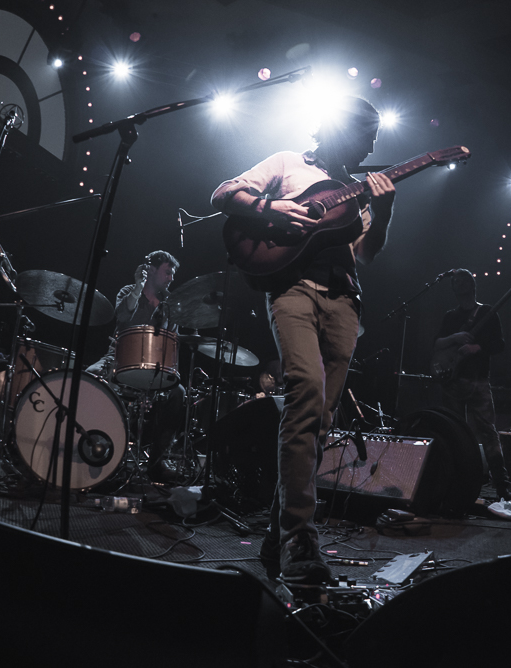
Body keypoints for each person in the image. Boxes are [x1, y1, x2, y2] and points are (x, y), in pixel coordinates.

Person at [211, 96, 396, 584]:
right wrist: (274, 208)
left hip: (344, 300)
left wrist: (386, 208)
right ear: (341, 129)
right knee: (306, 396)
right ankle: (299, 534)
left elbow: (365, 252)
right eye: (367, 134)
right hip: (292, 289)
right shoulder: (289, 162)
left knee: (321, 419)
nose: (372, 145)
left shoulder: (357, 193)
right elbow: (225, 194)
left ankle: (279, 532)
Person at [86, 250, 184, 478]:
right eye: (168, 272)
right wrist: (138, 287)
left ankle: (157, 463)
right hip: (118, 359)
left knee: (178, 392)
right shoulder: (128, 292)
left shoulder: (170, 306)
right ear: (150, 270)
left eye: (173, 274)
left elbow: (172, 344)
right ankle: (94, 449)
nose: (171, 278)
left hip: (153, 368)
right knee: (91, 376)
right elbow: (121, 317)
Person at [433, 269, 511, 520]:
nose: (457, 284)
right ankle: (456, 487)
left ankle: (505, 491)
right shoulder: (450, 317)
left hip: (478, 381)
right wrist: (456, 337)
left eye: (461, 280)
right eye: (454, 282)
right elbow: (437, 344)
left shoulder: (487, 312)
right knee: (455, 434)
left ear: (471, 285)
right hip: (454, 381)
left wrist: (476, 347)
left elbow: (499, 344)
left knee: (488, 433)